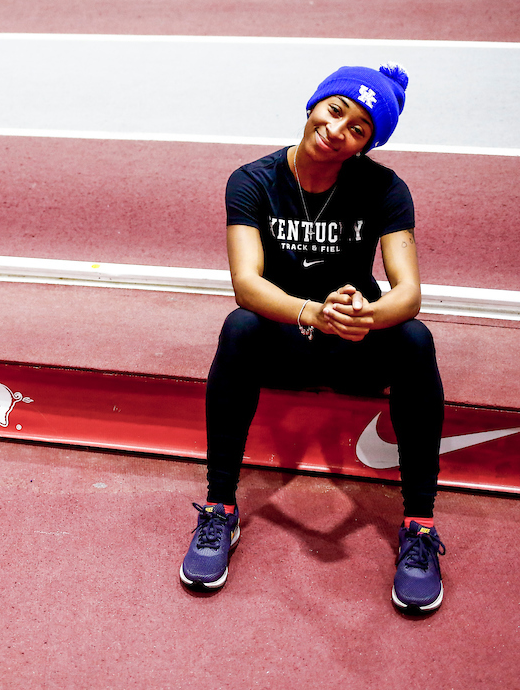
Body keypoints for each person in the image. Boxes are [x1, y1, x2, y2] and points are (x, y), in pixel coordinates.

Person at [178, 64, 447, 613]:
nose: (338, 129)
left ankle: (419, 527)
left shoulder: (384, 188)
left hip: (352, 344)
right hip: (284, 341)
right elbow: (246, 285)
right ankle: (219, 510)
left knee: (416, 340)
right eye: (336, 109)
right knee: (239, 328)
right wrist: (312, 313)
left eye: (359, 129)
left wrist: (362, 316)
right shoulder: (252, 180)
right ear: (313, 105)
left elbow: (410, 292)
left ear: (366, 145)